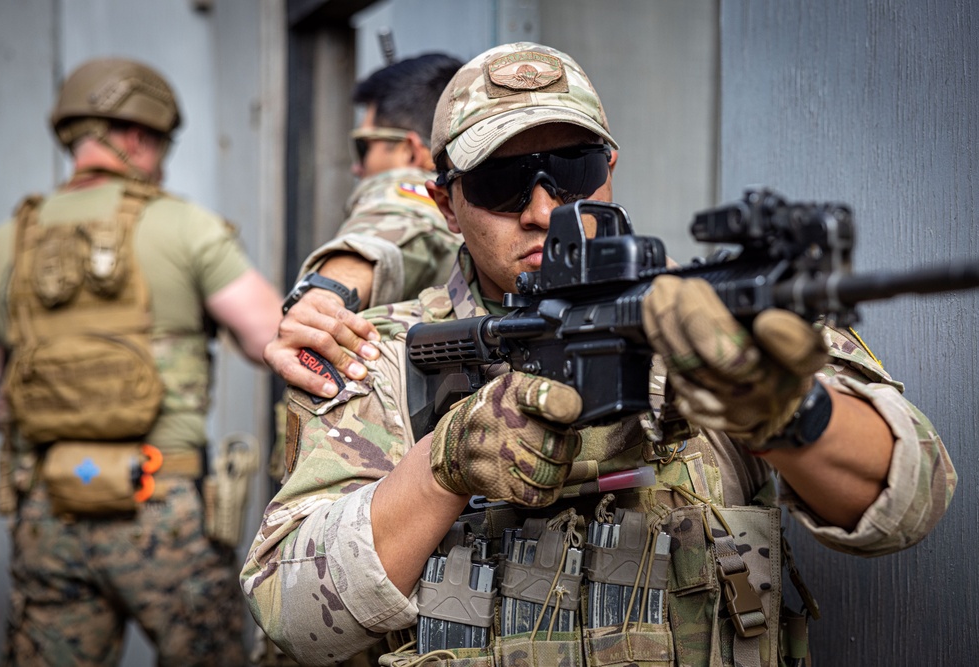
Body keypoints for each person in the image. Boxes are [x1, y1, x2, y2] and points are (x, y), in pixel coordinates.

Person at [240, 42, 956, 666]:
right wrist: (442, 465)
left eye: (573, 168)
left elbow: (914, 496)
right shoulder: (384, 356)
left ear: (610, 167)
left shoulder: (711, 317)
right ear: (446, 203)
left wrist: (785, 409)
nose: (544, 208)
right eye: (500, 180)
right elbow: (291, 614)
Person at [0, 57, 282, 666]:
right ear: (140, 136)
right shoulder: (186, 227)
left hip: (48, 504)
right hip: (161, 501)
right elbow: (273, 337)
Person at [267, 53, 463, 399]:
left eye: (363, 147)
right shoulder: (477, 202)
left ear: (410, 151)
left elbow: (395, 223)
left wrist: (325, 297)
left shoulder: (405, 191)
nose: (357, 169)